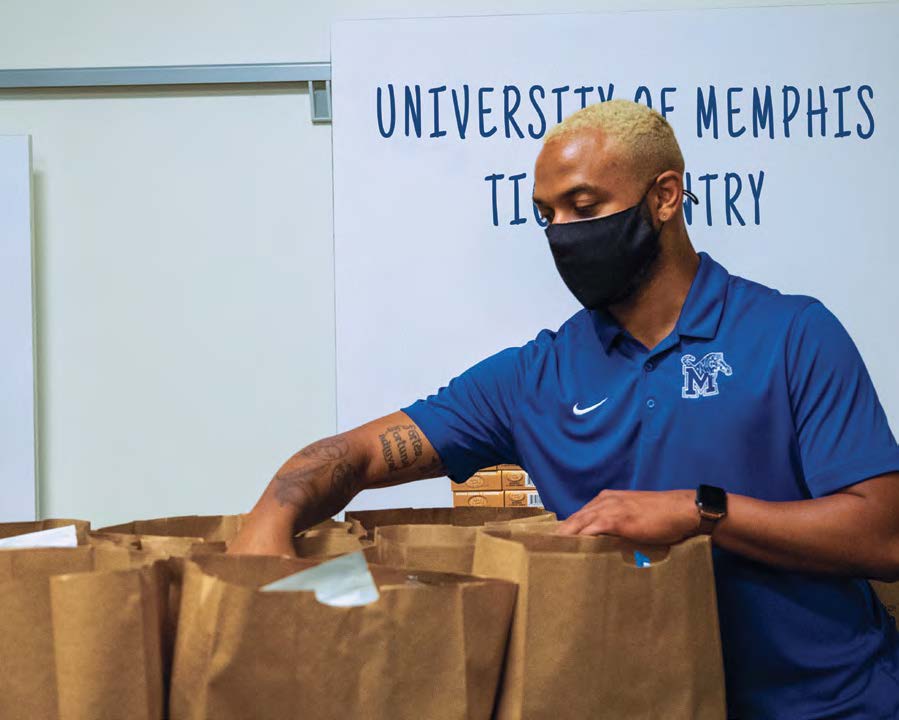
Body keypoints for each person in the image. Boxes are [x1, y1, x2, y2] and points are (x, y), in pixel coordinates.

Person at [229, 99, 899, 718]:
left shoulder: (791, 335)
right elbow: (356, 454)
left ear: (664, 196)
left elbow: (882, 538)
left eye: (583, 206)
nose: (561, 233)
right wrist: (272, 516)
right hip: (641, 702)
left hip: (831, 705)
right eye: (546, 215)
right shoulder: (534, 377)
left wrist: (697, 511)